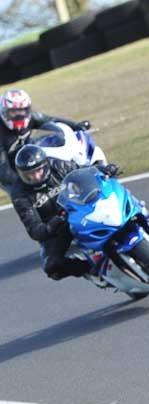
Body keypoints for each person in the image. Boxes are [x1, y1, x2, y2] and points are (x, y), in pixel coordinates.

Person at [10, 145, 119, 281]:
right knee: (52, 267)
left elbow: (84, 170)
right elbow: (33, 228)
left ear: (45, 165)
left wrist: (104, 169)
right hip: (57, 227)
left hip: (80, 208)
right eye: (29, 175)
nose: (36, 177)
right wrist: (51, 225)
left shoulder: (57, 164)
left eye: (38, 171)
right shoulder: (19, 194)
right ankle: (91, 269)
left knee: (114, 210)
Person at [0, 88, 91, 191]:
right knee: (22, 192)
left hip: (24, 157)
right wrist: (23, 185)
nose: (19, 115)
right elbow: (3, 171)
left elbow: (52, 120)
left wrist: (76, 125)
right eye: (14, 112)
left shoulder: (31, 118)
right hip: (7, 168)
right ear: (4, 112)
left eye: (22, 111)